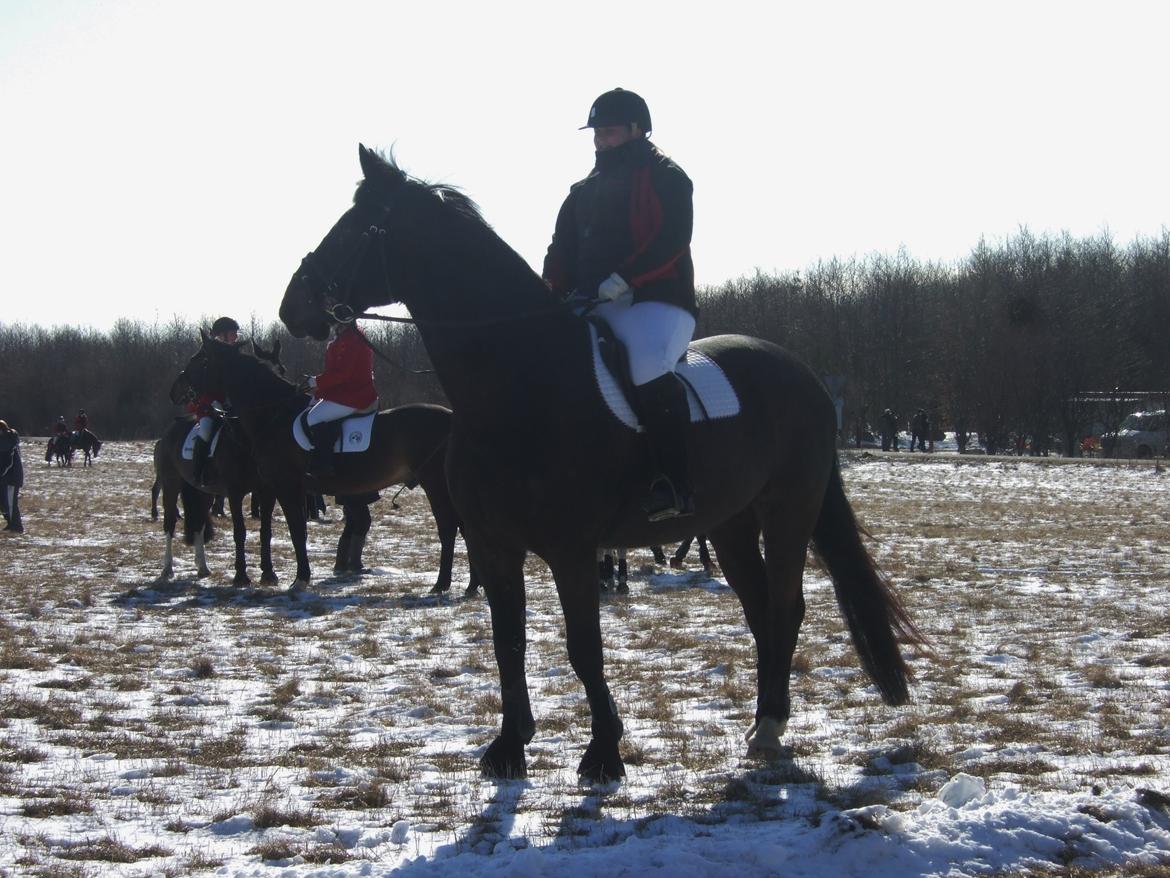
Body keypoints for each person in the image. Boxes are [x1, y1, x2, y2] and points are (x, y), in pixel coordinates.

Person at [543, 87, 698, 522]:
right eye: (596, 134)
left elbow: (671, 240)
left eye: (609, 132)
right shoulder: (581, 191)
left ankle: (674, 482)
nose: (600, 141)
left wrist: (626, 278)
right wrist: (549, 291)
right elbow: (560, 250)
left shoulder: (668, 175)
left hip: (656, 299)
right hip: (593, 302)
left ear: (637, 130)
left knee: (646, 363)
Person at [301, 321, 378, 477]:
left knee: (313, 418)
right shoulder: (344, 337)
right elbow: (335, 373)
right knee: (311, 407)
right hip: (344, 392)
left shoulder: (351, 339)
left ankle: (324, 464)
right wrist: (319, 392)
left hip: (354, 395)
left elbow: (343, 374)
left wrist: (315, 381)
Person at [188, 316, 239, 485]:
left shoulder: (237, 356)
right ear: (221, 336)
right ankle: (198, 471)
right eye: (233, 334)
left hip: (233, 408)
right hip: (209, 407)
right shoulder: (208, 360)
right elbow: (202, 386)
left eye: (236, 333)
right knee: (205, 431)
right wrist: (213, 402)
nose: (236, 337)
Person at [0, 419, 25, 532]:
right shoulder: (5, 440)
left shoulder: (7, 441)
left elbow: (7, 462)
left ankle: (17, 526)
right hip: (5, 477)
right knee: (4, 502)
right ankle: (10, 522)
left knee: (11, 503)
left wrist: (1, 473)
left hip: (12, 477)